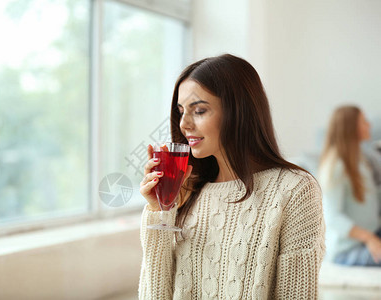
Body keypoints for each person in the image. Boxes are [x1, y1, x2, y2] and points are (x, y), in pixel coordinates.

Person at [138, 54, 325, 299]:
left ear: (239, 111)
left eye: (200, 110)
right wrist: (160, 210)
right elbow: (155, 295)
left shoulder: (295, 190)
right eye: (181, 111)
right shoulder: (187, 190)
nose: (184, 124)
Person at [318, 105, 381, 266]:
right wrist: (370, 238)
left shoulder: (360, 160)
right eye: (364, 121)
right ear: (350, 127)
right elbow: (333, 217)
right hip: (347, 249)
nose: (369, 125)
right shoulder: (336, 166)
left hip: (371, 234)